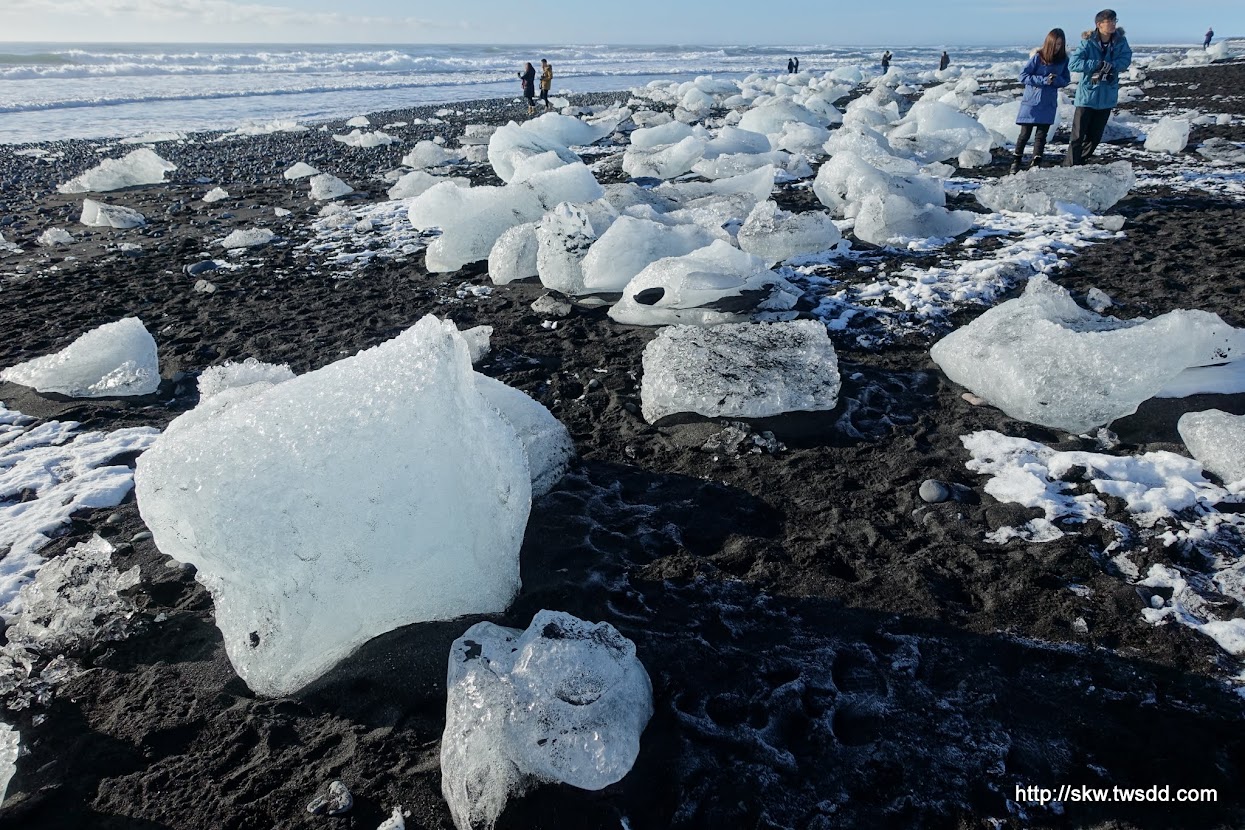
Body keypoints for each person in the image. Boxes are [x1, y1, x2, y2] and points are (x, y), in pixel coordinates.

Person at [1064, 9, 1131, 166]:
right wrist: (1096, 64)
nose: (1113, 24)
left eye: (1115, 20)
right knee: (1077, 136)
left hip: (1107, 95)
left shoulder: (1121, 42)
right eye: (1110, 21)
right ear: (1099, 24)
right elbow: (1073, 64)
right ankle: (1069, 166)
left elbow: (1125, 59)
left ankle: (1081, 162)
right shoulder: (1088, 42)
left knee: (1095, 137)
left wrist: (1111, 66)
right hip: (1087, 96)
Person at [1012, 29, 1071, 172]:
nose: (1057, 47)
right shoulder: (1038, 57)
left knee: (1041, 136)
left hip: (1048, 103)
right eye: (1055, 44)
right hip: (1032, 101)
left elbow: (1066, 80)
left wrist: (1056, 80)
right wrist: (1044, 80)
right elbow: (1023, 76)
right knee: (1024, 134)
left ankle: (1036, 163)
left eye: (1060, 45)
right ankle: (1016, 161)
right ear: (1049, 43)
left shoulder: (1063, 60)